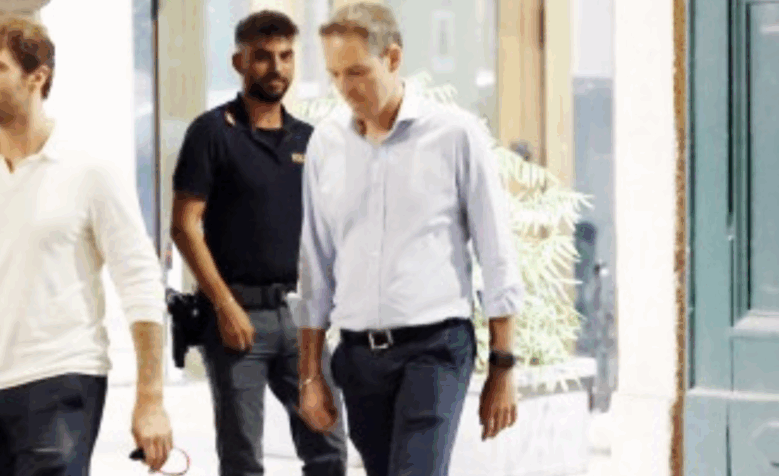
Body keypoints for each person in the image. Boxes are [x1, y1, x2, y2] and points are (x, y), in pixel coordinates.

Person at [0, 14, 174, 475]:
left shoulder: (89, 168)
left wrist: (150, 399)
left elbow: (140, 282)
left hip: (63, 381)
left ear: (38, 77)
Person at [294, 3, 525, 476]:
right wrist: (310, 374)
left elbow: (496, 252)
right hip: (358, 358)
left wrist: (503, 365)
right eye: (335, 74)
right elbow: (315, 267)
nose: (345, 88)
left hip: (434, 349)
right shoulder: (325, 144)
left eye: (357, 72)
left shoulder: (456, 135)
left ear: (393, 58)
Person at [170, 10, 349, 476]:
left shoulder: (309, 140)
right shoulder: (211, 133)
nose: (277, 68)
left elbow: (327, 230)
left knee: (329, 448)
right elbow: (184, 226)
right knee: (243, 459)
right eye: (264, 57)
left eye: (286, 56)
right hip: (236, 317)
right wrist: (224, 305)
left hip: (300, 318)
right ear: (240, 62)